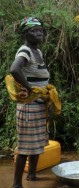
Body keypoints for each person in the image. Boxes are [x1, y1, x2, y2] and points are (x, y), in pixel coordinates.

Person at [9, 17, 54, 188]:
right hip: (29, 107)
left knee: (37, 143)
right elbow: (14, 69)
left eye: (40, 30)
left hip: (40, 106)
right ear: (26, 34)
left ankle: (32, 175)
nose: (39, 33)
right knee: (26, 146)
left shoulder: (38, 52)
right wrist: (29, 88)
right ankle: (16, 184)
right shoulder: (25, 51)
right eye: (34, 31)